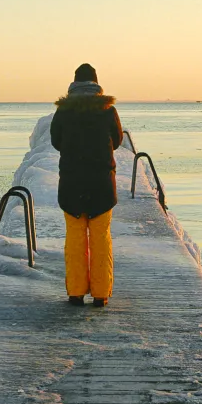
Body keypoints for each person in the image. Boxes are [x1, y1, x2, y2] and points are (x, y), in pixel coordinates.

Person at [49, 63, 124, 306]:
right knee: (101, 237)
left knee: (75, 238)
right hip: (101, 182)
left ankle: (76, 292)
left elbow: (56, 141)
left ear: (74, 84)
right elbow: (118, 140)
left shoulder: (64, 112)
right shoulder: (107, 110)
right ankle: (101, 294)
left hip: (71, 182)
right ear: (96, 84)